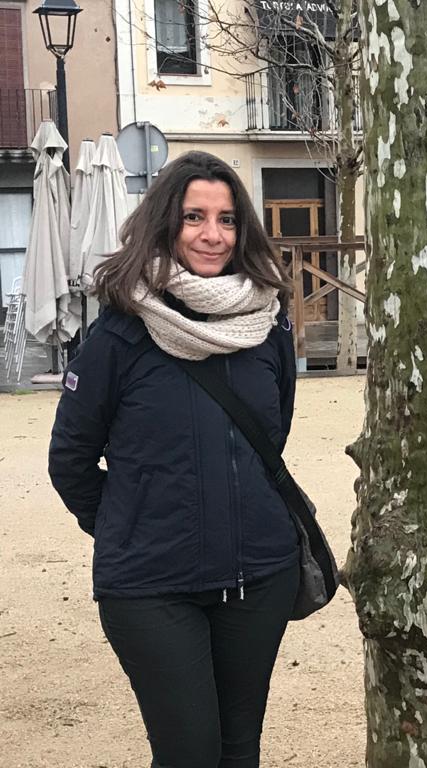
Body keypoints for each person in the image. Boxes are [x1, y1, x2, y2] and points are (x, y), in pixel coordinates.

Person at [49, 151, 298, 768]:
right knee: (188, 753)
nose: (213, 235)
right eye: (194, 217)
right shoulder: (120, 332)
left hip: (259, 578)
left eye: (227, 219)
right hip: (152, 588)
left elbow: (273, 435)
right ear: (166, 222)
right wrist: (129, 521)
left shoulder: (268, 326)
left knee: (240, 753)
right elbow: (70, 459)